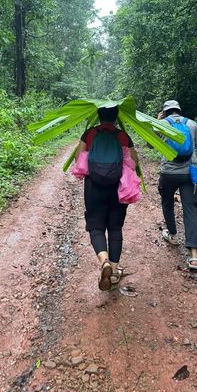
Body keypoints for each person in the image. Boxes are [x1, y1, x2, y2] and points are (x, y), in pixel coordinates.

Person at [74, 106, 139, 291]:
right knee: (115, 227)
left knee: (96, 226)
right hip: (118, 187)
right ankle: (115, 271)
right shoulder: (123, 136)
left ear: (99, 116)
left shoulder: (90, 133)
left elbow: (79, 158)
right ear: (117, 117)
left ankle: (104, 262)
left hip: (93, 186)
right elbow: (134, 163)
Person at [157, 100, 197, 270]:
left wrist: (157, 121)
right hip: (189, 173)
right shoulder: (192, 124)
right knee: (190, 210)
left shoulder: (161, 124)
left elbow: (149, 143)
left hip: (168, 173)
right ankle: (193, 256)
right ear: (179, 110)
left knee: (167, 202)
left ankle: (172, 234)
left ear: (165, 111)